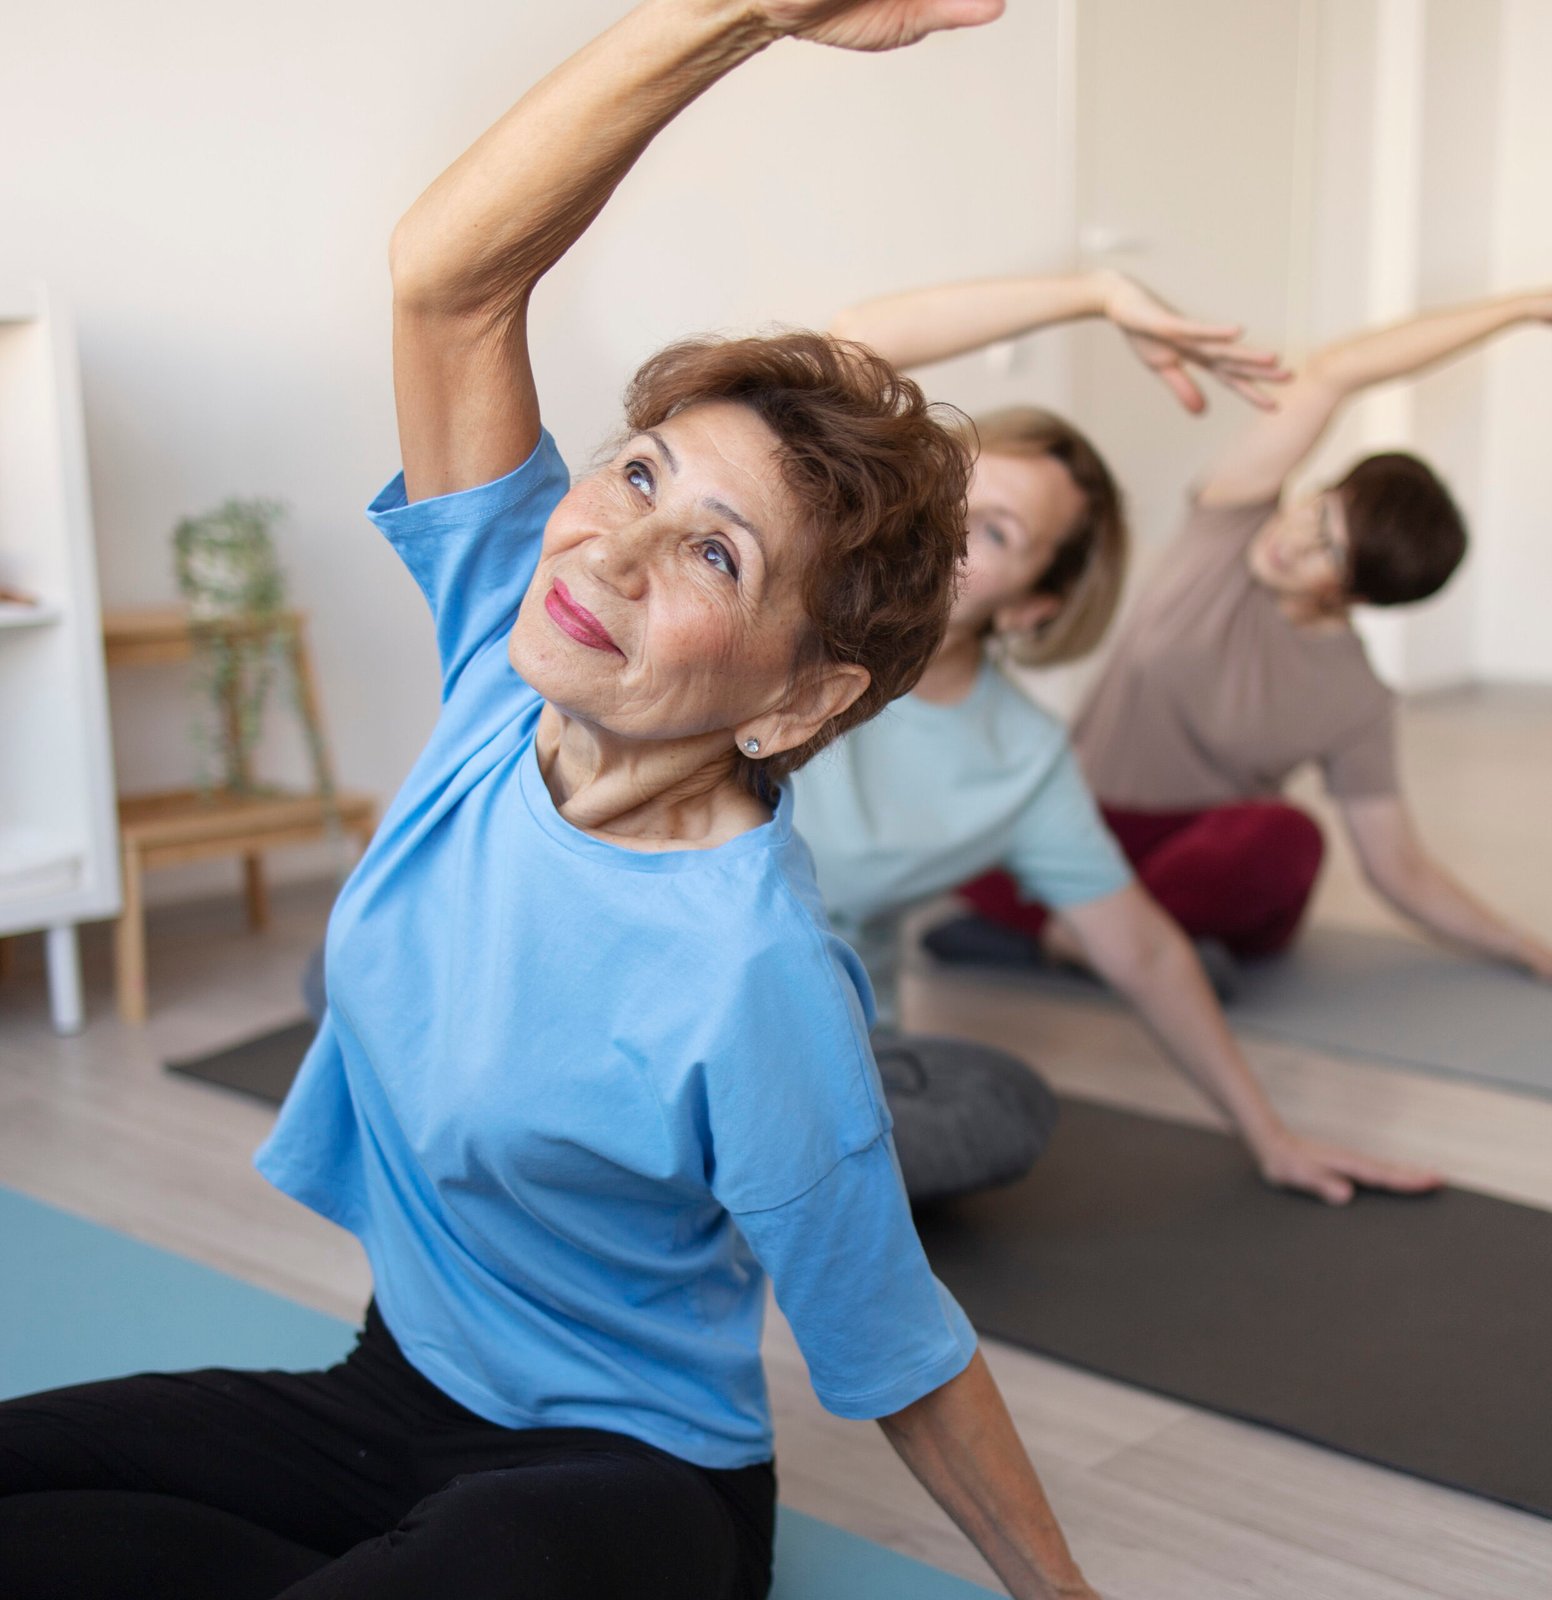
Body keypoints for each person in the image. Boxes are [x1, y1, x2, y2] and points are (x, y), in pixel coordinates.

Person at [0, 6, 1121, 1600]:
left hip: (626, 1481)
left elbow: (896, 1345)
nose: (614, 547)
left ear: (801, 699)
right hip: (384, 1400)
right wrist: (749, 13)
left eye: (717, 556)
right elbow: (450, 279)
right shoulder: (502, 664)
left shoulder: (755, 978)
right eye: (644, 471)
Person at [799, 269, 1437, 1208]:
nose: (948, 530)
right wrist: (1096, 294)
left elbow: (1141, 952)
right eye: (950, 494)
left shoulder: (1021, 757)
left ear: (1038, 605)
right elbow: (852, 343)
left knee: (1000, 1108)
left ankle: (736, 1161)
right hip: (656, 999)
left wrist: (1271, 1135)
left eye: (999, 533)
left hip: (820, 1046)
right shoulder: (793, 609)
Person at [951, 277, 1552, 990]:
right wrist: (1520, 310)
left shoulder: (1357, 700)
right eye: (1319, 508)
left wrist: (1532, 952)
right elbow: (1331, 374)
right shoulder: (1229, 528)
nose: (1295, 537)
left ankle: (1082, 939)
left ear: (1358, 595)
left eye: (1332, 551)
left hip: (1193, 852)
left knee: (1286, 841)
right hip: (1075, 822)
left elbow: (1396, 868)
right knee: (970, 791)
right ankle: (1107, 943)